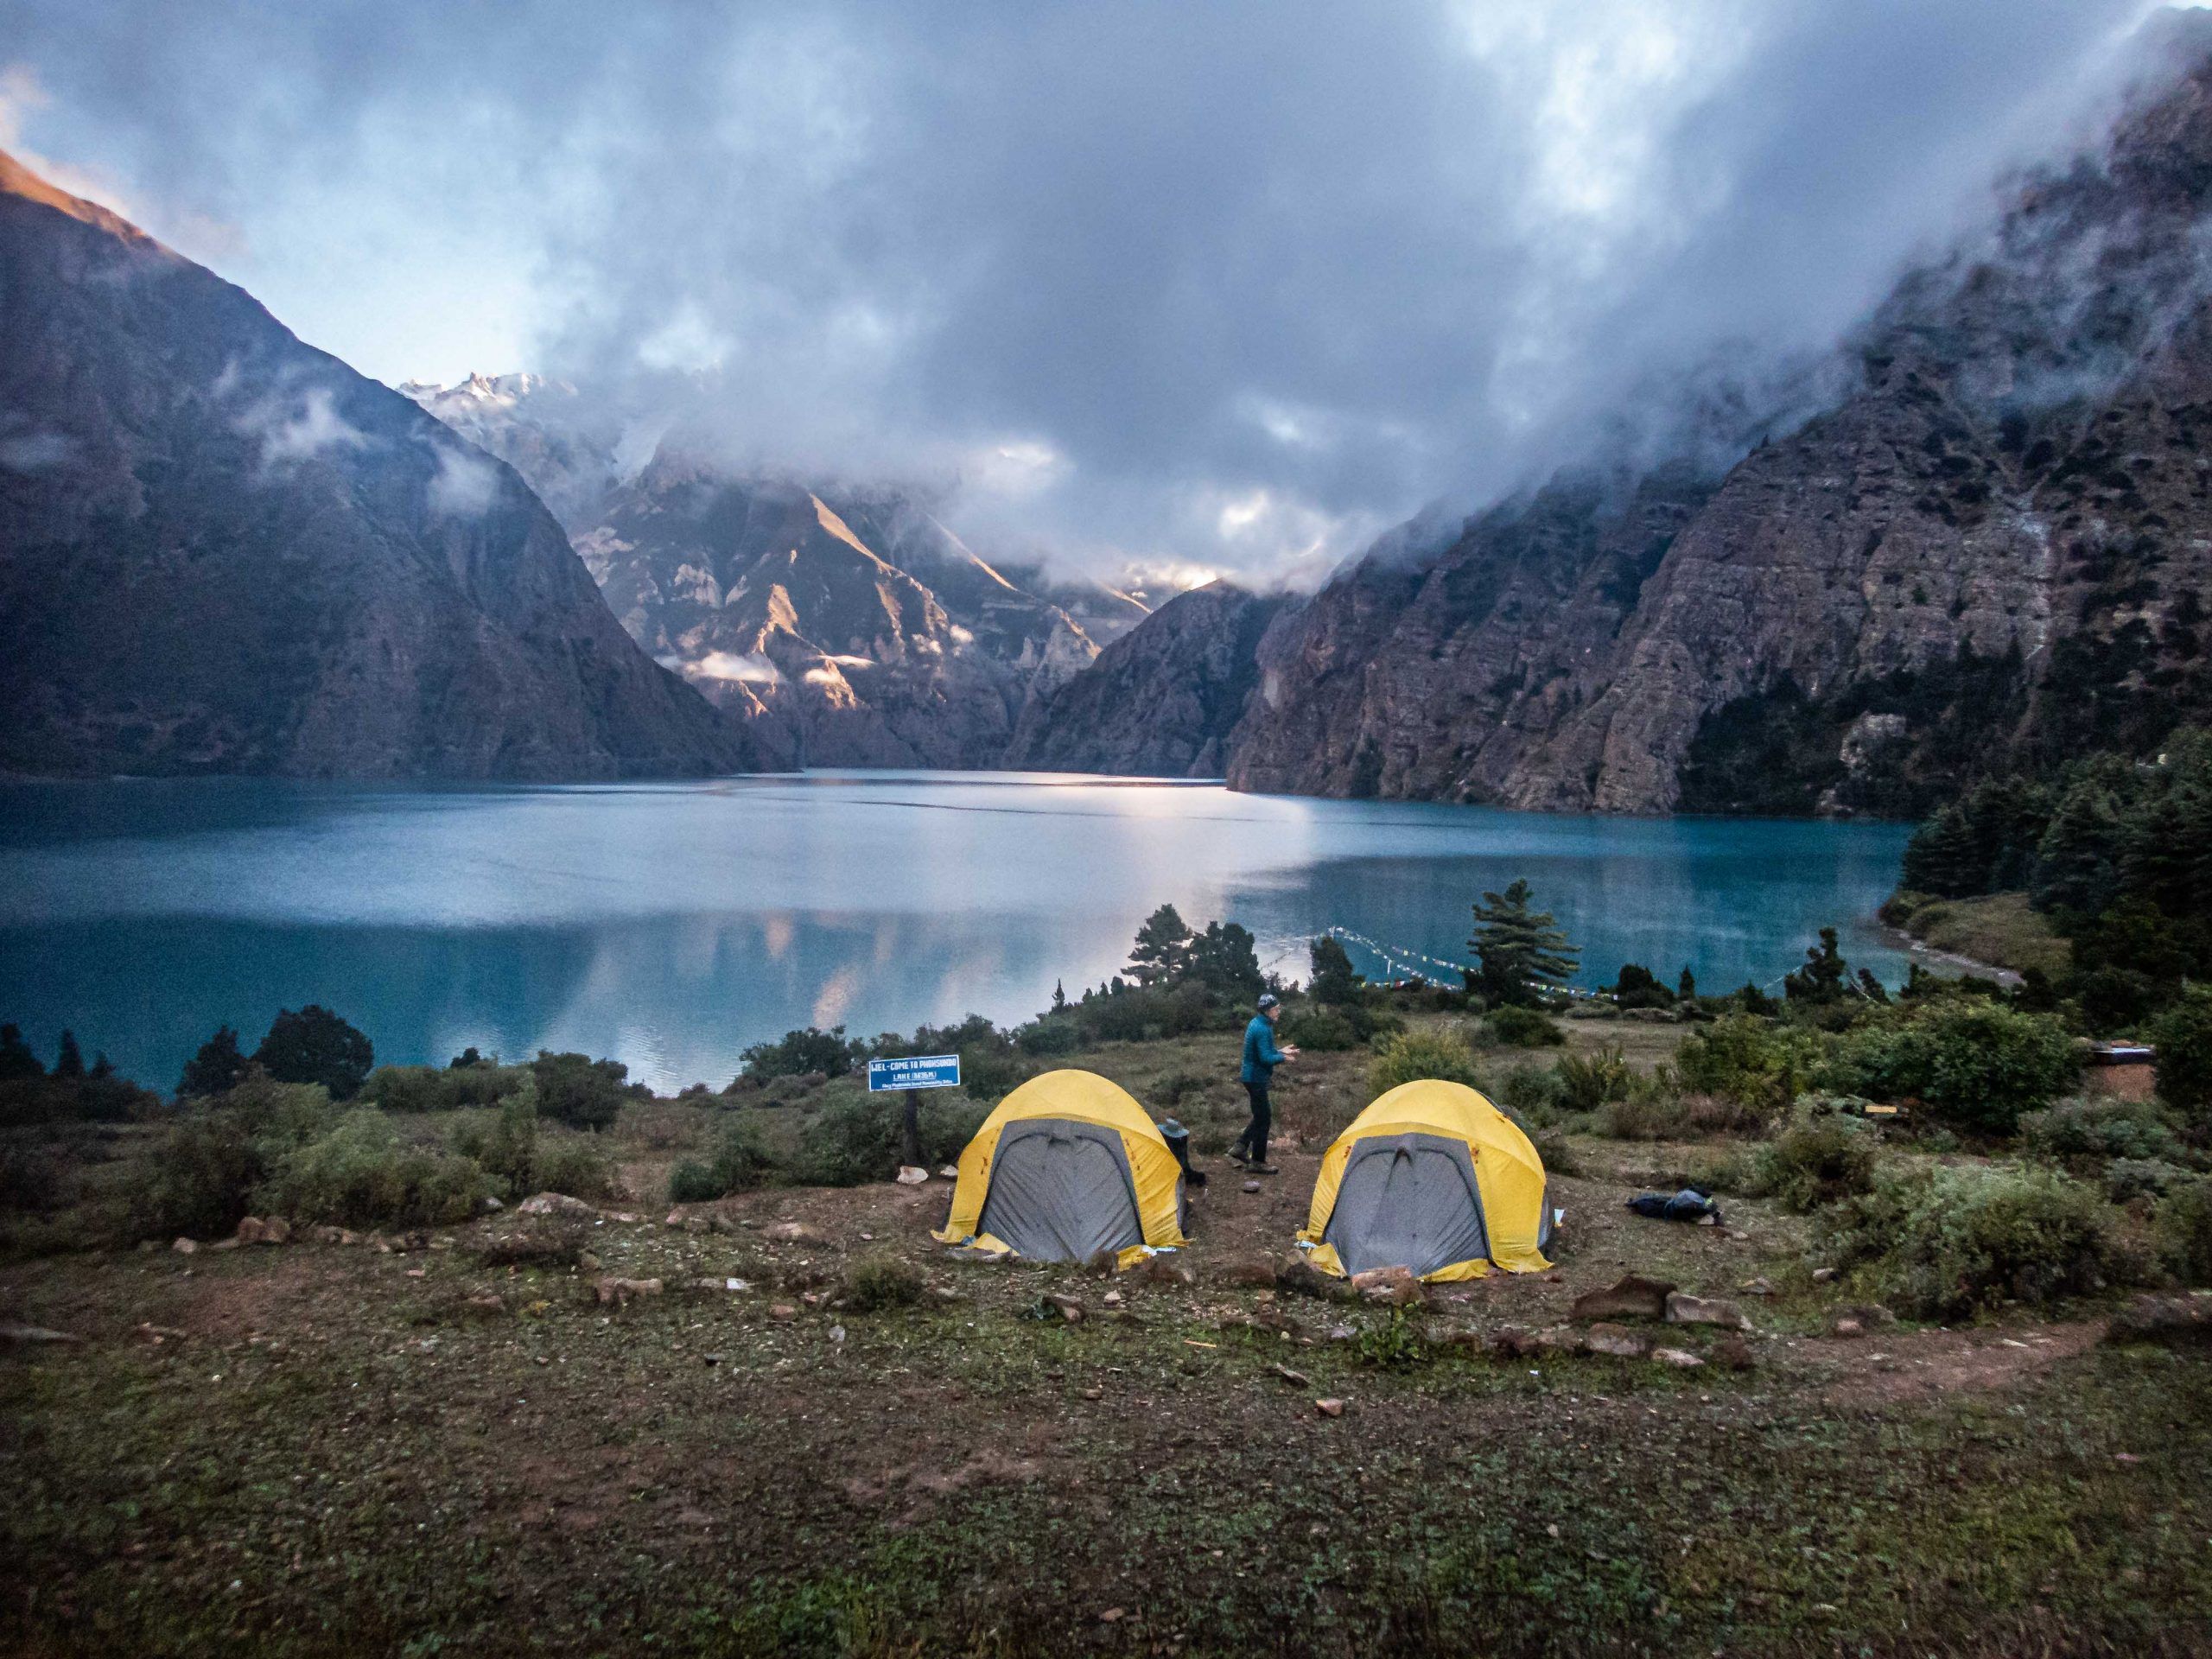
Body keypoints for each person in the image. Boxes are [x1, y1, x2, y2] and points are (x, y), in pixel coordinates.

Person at [1230, 991, 1298, 1173]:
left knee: (1261, 1117)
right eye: (1276, 1009)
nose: (1279, 1012)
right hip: (1255, 1078)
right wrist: (1283, 1058)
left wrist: (1281, 1050)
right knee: (1264, 1119)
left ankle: (1240, 1147)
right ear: (1267, 1010)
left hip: (1252, 1077)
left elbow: (1266, 1050)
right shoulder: (1262, 1028)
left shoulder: (1259, 1023)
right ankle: (1257, 1162)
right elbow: (1266, 1057)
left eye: (1278, 1008)